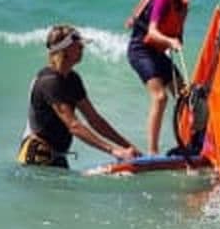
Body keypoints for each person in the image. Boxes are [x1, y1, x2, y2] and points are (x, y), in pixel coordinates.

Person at [18, 24, 140, 168]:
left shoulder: (72, 78)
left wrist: (128, 147)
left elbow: (95, 120)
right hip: (36, 157)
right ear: (65, 50)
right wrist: (114, 151)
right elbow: (74, 126)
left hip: (57, 156)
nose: (83, 47)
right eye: (78, 45)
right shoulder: (49, 82)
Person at [126, 0, 204, 155]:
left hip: (158, 53)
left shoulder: (184, 5)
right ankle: (153, 152)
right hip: (141, 50)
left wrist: (177, 40)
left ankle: (189, 144)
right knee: (160, 97)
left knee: (186, 97)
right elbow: (152, 33)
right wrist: (171, 41)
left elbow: (177, 33)